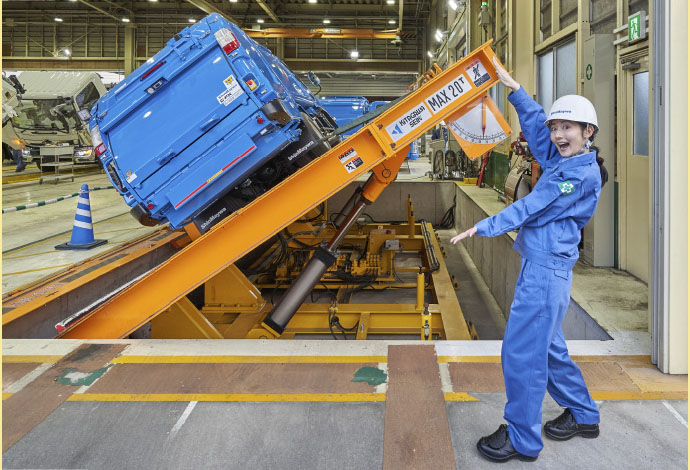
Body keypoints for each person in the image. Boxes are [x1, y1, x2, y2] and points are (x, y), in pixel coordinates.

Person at [451, 57, 606, 463]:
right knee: (549, 348)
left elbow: (533, 207)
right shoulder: (564, 159)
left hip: (545, 273)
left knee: (522, 353)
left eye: (567, 128)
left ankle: (522, 438)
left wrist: (484, 227)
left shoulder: (576, 176)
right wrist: (515, 91)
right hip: (542, 266)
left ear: (587, 132)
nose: (557, 134)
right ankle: (585, 414)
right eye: (557, 128)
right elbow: (537, 131)